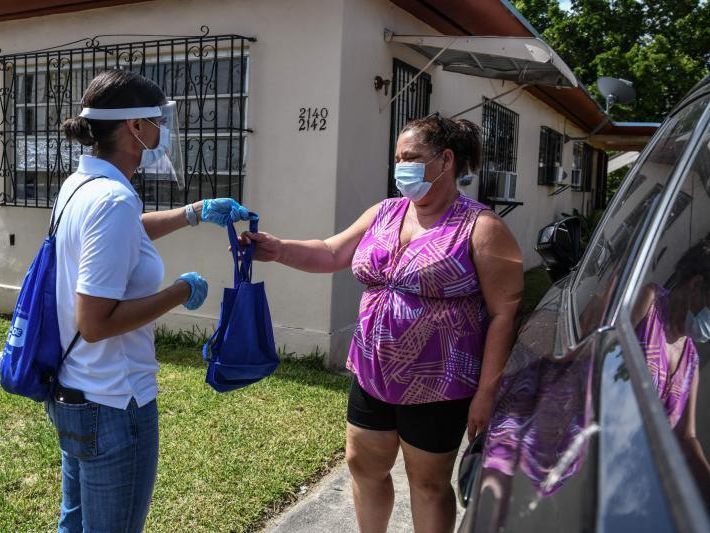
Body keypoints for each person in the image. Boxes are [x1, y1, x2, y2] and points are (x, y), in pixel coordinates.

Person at [241, 114, 523, 533]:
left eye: (410, 156)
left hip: (439, 384)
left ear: (445, 161)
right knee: (363, 466)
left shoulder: (482, 228)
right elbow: (330, 252)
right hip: (373, 373)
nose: (400, 166)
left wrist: (486, 392)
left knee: (428, 484)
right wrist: (278, 249)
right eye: (397, 157)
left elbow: (505, 312)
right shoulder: (385, 212)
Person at [47, 69, 250, 532]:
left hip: (77, 390)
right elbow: (95, 322)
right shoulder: (112, 200)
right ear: (134, 128)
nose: (164, 129)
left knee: (74, 525)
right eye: (156, 120)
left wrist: (193, 214)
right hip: (116, 402)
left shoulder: (81, 186)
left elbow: (123, 236)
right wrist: (180, 291)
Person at [632, 236, 710, 503]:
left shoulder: (692, 362)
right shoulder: (649, 303)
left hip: (644, 479)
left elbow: (686, 437)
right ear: (697, 285)